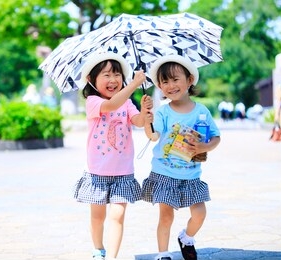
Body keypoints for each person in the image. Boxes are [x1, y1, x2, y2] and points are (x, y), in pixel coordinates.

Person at [73, 52, 153, 260]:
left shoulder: (126, 103)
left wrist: (144, 114)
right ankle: (98, 249)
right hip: (97, 173)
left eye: (117, 74)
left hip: (123, 172)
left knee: (117, 216)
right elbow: (111, 105)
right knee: (98, 217)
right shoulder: (93, 101)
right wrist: (134, 85)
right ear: (91, 80)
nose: (113, 80)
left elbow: (136, 121)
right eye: (106, 75)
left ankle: (112, 258)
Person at [141, 55, 221, 260]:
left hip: (191, 174)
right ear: (159, 85)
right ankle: (163, 254)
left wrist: (204, 146)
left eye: (175, 79)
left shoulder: (201, 111)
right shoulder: (162, 112)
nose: (170, 85)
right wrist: (147, 119)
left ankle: (187, 237)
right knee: (166, 216)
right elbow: (153, 136)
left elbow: (216, 137)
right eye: (164, 81)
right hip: (164, 173)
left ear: (190, 80)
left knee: (200, 213)